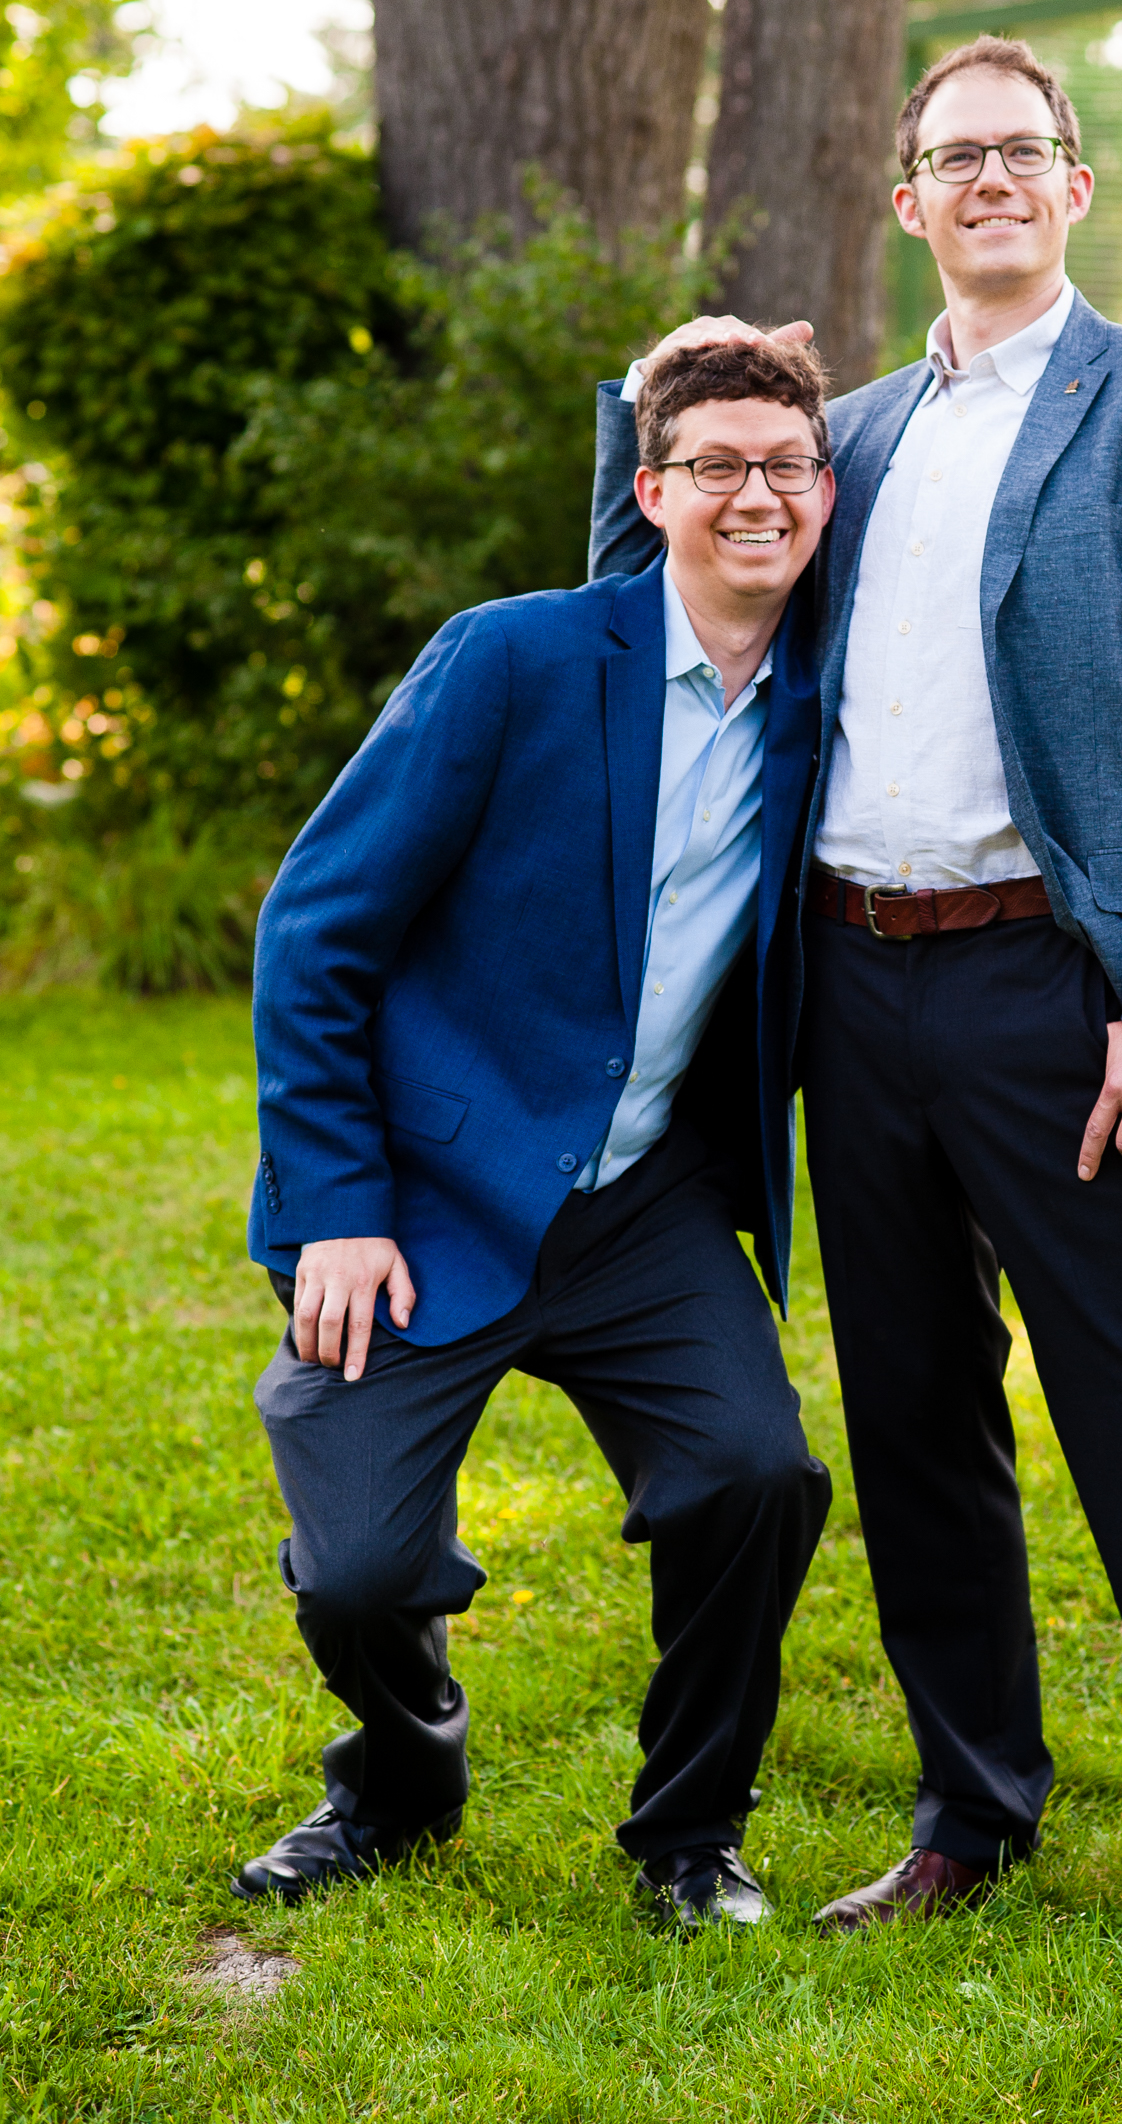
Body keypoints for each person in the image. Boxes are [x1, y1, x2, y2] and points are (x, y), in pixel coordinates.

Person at [588, 36, 1122, 1947]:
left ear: (1075, 186)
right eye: (952, 157)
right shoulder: (848, 441)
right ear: (908, 202)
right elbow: (643, 582)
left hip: (1054, 999)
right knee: (917, 1413)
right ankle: (970, 1807)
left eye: (1023, 150)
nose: (990, 178)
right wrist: (649, 397)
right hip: (849, 986)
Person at [236, 337, 836, 1931]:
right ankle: (401, 1774)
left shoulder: (828, 714)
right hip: (429, 1188)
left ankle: (692, 1838)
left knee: (755, 1476)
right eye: (714, 463)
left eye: (787, 463)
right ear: (651, 492)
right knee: (360, 1567)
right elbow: (314, 933)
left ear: (827, 494)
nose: (755, 493)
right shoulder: (507, 661)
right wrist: (341, 1204)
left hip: (643, 1204)